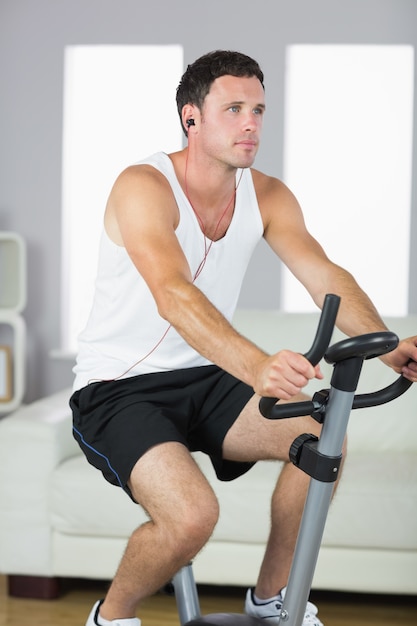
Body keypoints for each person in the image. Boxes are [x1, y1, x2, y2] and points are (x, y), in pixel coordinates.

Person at [70, 50, 417, 626]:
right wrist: (255, 364)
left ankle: (271, 597)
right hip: (119, 388)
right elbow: (173, 294)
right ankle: (113, 616)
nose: (251, 122)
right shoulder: (143, 185)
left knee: (321, 441)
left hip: (204, 377)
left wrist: (386, 343)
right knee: (191, 517)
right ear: (192, 119)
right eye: (233, 108)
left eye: (258, 108)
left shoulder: (268, 196)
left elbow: (325, 276)